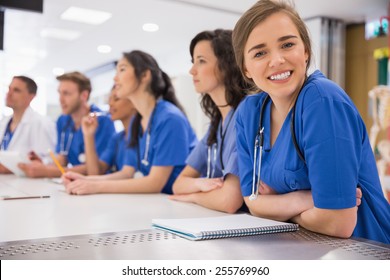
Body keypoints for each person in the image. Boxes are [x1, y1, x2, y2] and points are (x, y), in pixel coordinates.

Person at [232, 0, 389, 243]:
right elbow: (252, 202)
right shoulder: (248, 114)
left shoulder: (322, 101)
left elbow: (339, 222)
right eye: (260, 53)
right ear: (246, 69)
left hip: (363, 252)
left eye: (287, 44)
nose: (277, 60)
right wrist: (304, 199)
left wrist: (281, 208)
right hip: (302, 247)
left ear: (305, 51)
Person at [62, 50, 197, 195]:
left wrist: (96, 187)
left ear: (145, 75)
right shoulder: (137, 122)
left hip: (179, 206)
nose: (115, 78)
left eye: (122, 69)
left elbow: (155, 183)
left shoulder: (170, 119)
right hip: (158, 202)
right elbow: (126, 173)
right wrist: (86, 180)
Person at [170, 29, 249, 213]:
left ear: (227, 65)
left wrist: (193, 196)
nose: (192, 70)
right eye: (193, 62)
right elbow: (178, 184)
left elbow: (228, 201)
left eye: (201, 61)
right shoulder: (216, 123)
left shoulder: (244, 115)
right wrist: (201, 183)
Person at [19, 71, 115, 178]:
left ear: (84, 95)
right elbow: (62, 158)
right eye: (59, 93)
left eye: (66, 93)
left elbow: (96, 169)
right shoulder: (63, 120)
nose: (60, 99)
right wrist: (43, 165)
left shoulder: (103, 121)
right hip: (73, 181)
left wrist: (48, 171)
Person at [0, 76, 56, 174]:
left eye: (16, 90)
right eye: (9, 89)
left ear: (31, 96)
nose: (9, 94)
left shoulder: (41, 123)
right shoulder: (4, 122)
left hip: (27, 185)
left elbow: (48, 161)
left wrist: (10, 167)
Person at [81, 86, 136, 175]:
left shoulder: (144, 137)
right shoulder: (117, 138)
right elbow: (95, 173)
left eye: (116, 99)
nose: (110, 104)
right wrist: (88, 135)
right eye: (109, 99)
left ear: (134, 102)